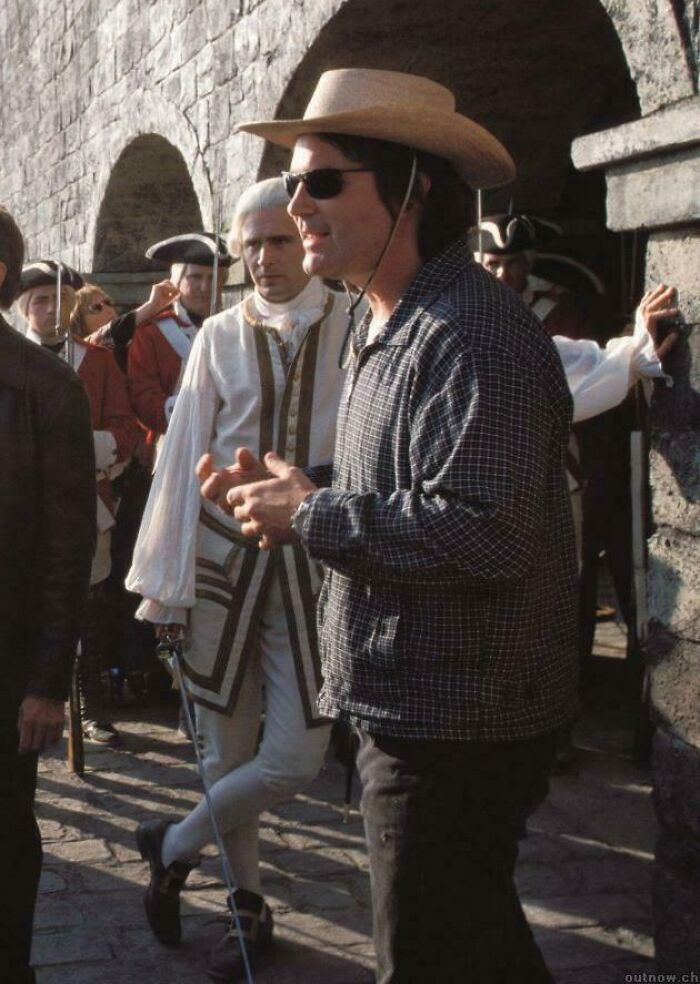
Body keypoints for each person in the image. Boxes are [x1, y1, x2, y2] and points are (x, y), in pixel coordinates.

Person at [202, 68, 574, 983]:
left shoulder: (469, 334)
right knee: (476, 945)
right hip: (415, 704)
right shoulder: (392, 320)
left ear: (412, 191)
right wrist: (305, 489)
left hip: (455, 719)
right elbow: (419, 484)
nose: (297, 204)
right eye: (292, 182)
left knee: (433, 954)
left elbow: (485, 532)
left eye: (324, 181)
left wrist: (312, 512)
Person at [127, 178, 350, 981]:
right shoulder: (218, 336)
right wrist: (165, 583)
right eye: (249, 245)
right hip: (222, 570)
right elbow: (183, 457)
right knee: (224, 754)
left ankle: (172, 844)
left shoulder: (356, 321)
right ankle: (245, 906)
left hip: (315, 569)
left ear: (308, 236)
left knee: (295, 758)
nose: (263, 259)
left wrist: (626, 359)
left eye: (278, 240)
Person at [0, 206, 95, 983]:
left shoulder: (46, 387)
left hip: (7, 658)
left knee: (5, 834)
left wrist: (47, 683)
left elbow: (69, 548)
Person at [17, 261, 140, 743]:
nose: (52, 309)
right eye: (41, 300)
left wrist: (83, 449)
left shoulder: (98, 361)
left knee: (86, 604)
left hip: (87, 501)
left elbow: (126, 429)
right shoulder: (12, 360)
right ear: (22, 307)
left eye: (61, 299)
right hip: (18, 509)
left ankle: (90, 704)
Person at [127, 234, 231, 443]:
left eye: (213, 278)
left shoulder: (235, 329)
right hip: (174, 440)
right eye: (195, 277)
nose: (205, 287)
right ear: (178, 281)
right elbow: (144, 401)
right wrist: (202, 407)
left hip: (230, 441)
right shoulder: (152, 333)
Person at [70, 279, 180, 371]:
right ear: (79, 321)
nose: (108, 309)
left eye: (108, 303)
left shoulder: (134, 341)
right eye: (96, 307)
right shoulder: (80, 354)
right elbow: (111, 332)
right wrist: (151, 306)